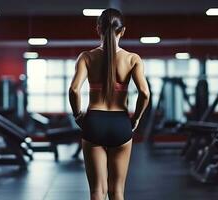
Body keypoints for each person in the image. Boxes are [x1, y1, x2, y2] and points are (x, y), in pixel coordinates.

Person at [69, 8, 150, 200]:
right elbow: (145, 93)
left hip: (94, 122)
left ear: (98, 29)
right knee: (117, 192)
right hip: (121, 123)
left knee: (97, 191)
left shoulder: (86, 57)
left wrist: (77, 115)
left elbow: (74, 90)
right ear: (123, 31)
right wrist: (136, 118)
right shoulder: (132, 59)